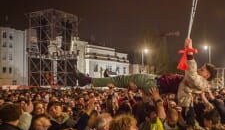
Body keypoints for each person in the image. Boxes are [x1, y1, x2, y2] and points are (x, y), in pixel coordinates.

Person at [76, 38, 216, 108]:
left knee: (122, 80)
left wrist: (190, 53)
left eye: (203, 69)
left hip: (154, 84)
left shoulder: (200, 83)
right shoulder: (199, 81)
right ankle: (101, 79)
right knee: (122, 80)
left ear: (207, 75)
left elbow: (191, 75)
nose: (200, 69)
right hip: (155, 81)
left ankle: (88, 80)